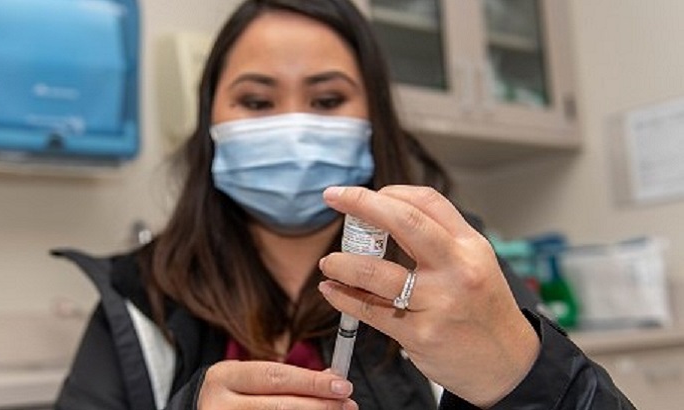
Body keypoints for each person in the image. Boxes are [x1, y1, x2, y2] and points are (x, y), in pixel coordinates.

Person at [54, 0, 636, 409]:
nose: (294, 126)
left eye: (328, 98)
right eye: (256, 101)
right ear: (210, 124)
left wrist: (522, 375)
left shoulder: (455, 272)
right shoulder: (139, 296)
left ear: (372, 121)